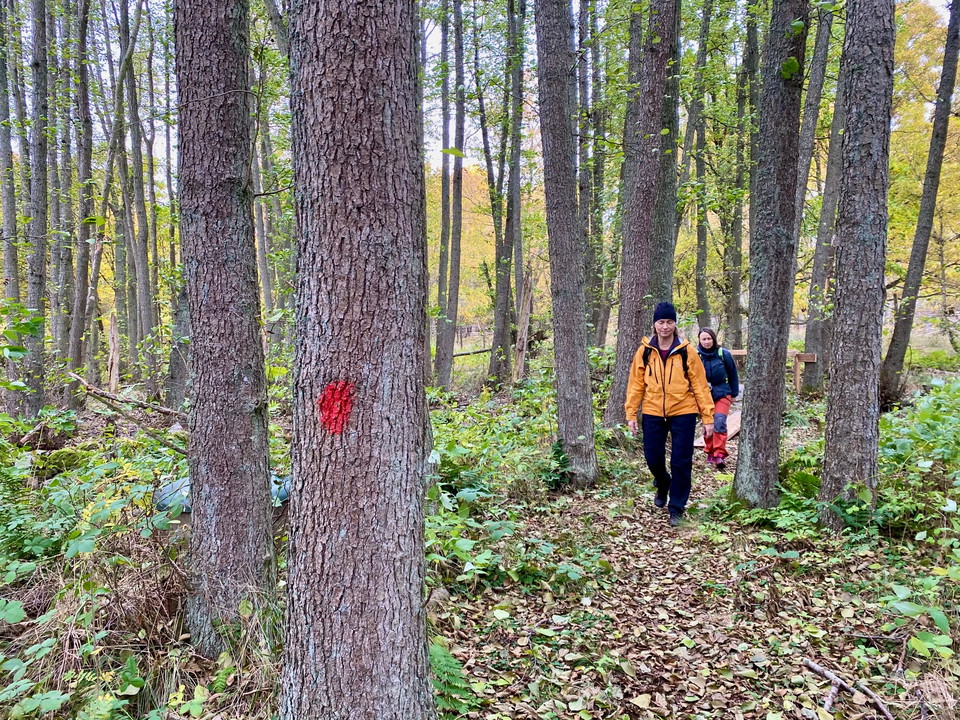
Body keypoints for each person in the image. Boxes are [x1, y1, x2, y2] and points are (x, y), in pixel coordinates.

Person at [625, 302, 715, 527]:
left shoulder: (686, 351)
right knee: (652, 457)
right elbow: (636, 384)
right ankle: (663, 481)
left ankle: (676, 507)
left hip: (683, 410)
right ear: (654, 324)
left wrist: (708, 418)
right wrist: (631, 413)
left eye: (669, 322)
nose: (665, 326)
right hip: (653, 410)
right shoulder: (645, 351)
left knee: (681, 461)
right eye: (661, 322)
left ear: (675, 324)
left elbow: (700, 385)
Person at [695, 327, 740, 470]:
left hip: (722, 392)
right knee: (708, 422)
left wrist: (734, 394)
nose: (707, 342)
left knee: (719, 421)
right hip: (704, 395)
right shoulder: (695, 356)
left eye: (709, 338)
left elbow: (733, 374)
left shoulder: (723, 354)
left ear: (713, 339)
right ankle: (710, 451)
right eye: (704, 339)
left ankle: (719, 454)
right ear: (699, 340)